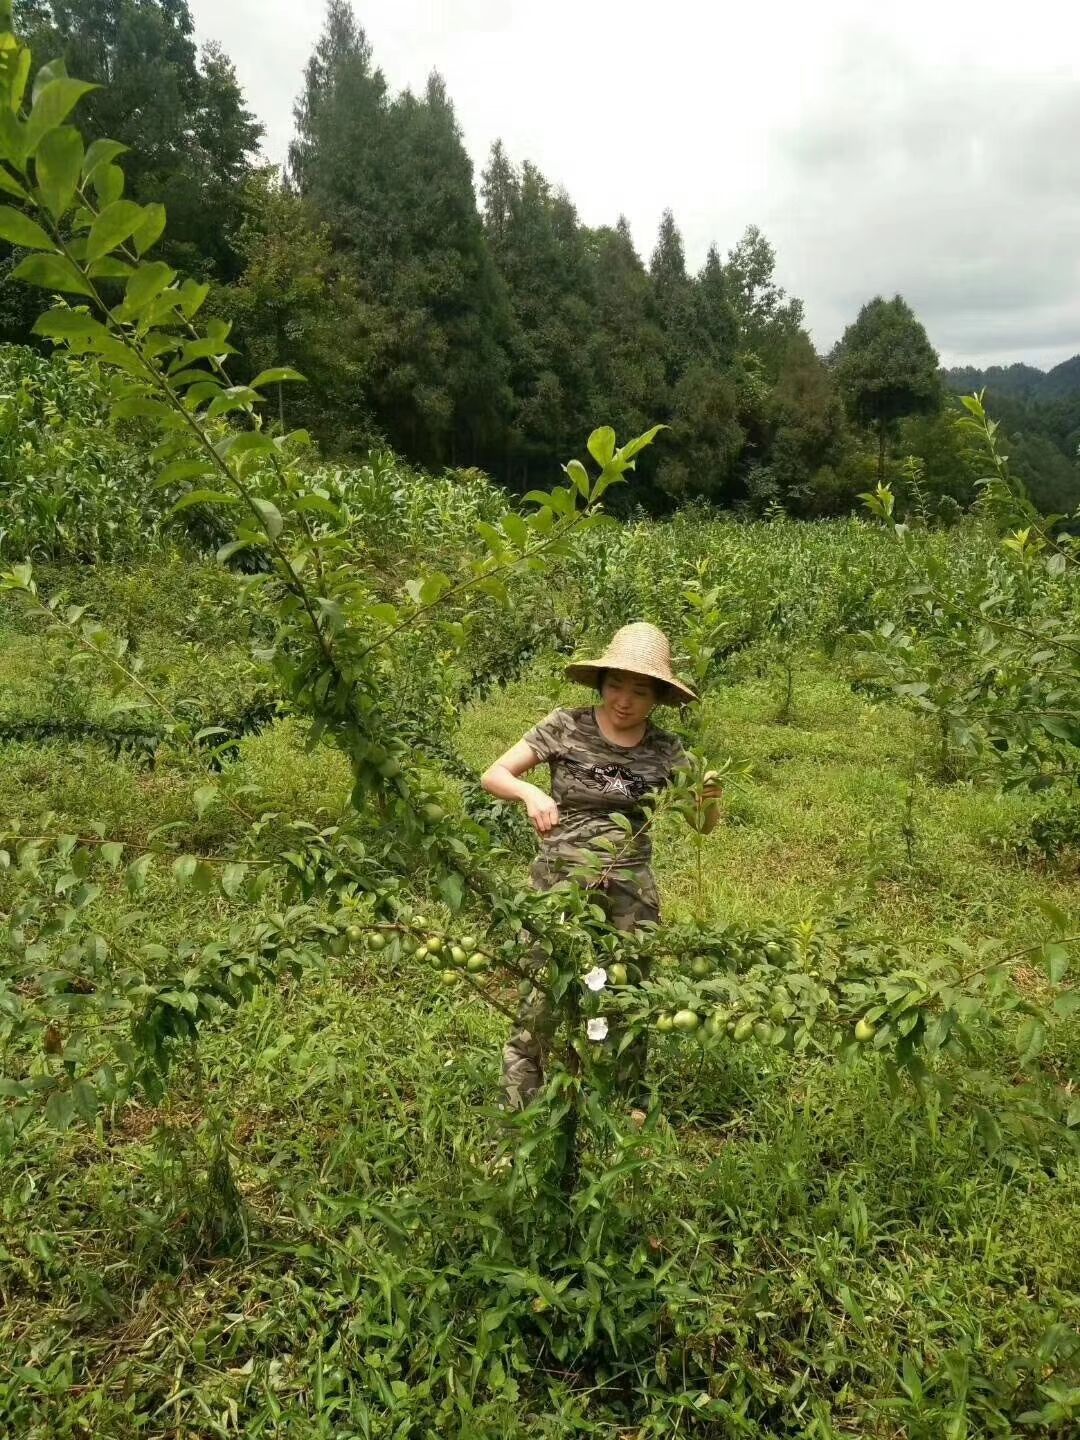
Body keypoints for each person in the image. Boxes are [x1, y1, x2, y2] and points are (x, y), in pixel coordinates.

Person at [481, 622, 722, 1113]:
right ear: (601, 683)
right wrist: (531, 792)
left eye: (639, 690)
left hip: (630, 889)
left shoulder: (666, 750)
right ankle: (520, 1113)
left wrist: (710, 799)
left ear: (657, 695)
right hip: (560, 882)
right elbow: (495, 774)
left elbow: (703, 826)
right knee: (543, 994)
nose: (625, 700)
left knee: (629, 993)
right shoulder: (565, 725)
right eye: (616, 685)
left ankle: (622, 1106)